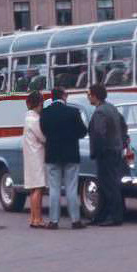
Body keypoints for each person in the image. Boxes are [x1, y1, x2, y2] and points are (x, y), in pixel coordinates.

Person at [40, 86, 88, 230]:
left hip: (52, 154)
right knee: (71, 188)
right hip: (71, 154)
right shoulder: (73, 112)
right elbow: (83, 131)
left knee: (54, 189)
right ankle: (75, 220)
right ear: (64, 96)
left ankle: (54, 221)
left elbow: (44, 131)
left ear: (52, 97)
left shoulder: (45, 113)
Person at [86, 83, 128, 227]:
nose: (88, 97)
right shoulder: (112, 108)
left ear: (95, 96)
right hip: (115, 151)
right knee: (109, 184)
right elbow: (123, 126)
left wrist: (98, 152)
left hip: (106, 153)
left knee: (109, 185)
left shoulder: (100, 112)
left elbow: (99, 134)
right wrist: (122, 142)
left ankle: (115, 217)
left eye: (89, 94)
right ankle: (102, 216)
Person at [21, 91, 47, 228]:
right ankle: (38, 219)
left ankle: (33, 218)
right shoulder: (35, 119)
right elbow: (42, 137)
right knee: (38, 188)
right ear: (39, 103)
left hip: (30, 155)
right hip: (37, 155)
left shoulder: (27, 118)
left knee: (33, 189)